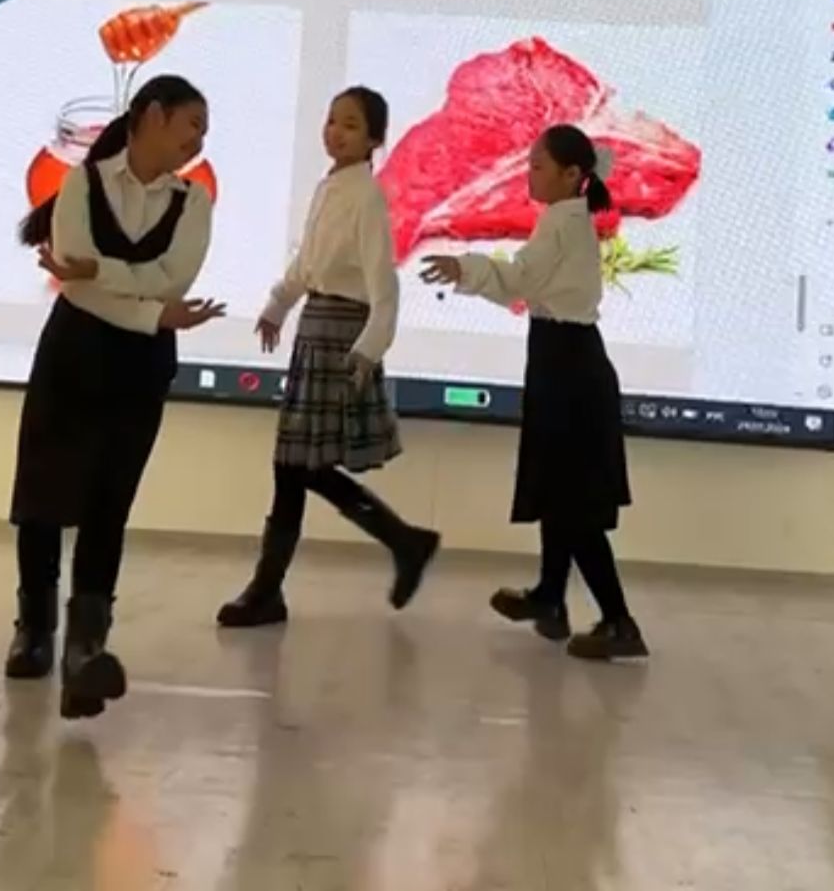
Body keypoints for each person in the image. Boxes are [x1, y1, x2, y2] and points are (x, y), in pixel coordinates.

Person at [6, 74, 226, 718]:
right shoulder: (81, 182)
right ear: (153, 115)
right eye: (192, 125)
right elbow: (78, 285)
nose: (199, 142)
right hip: (74, 353)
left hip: (139, 367)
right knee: (43, 493)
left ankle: (86, 646)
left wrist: (106, 275)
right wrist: (151, 312)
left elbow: (171, 278)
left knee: (109, 500)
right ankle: (34, 628)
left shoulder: (194, 201)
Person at [420, 124, 647, 661]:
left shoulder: (562, 223)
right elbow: (525, 283)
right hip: (565, 363)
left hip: (568, 370)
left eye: (539, 166)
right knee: (559, 494)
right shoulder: (568, 218)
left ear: (572, 175)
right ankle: (550, 597)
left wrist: (464, 267)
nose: (529, 174)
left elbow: (520, 280)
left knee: (572, 504)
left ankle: (619, 622)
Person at [217, 87, 440, 628]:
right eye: (332, 120)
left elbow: (384, 285)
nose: (335, 132)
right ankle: (401, 542)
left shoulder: (366, 196)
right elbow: (307, 263)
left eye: (351, 125)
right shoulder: (330, 187)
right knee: (298, 466)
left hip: (341, 334)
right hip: (315, 327)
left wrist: (368, 349)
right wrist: (278, 305)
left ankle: (270, 589)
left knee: (296, 465)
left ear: (374, 139)